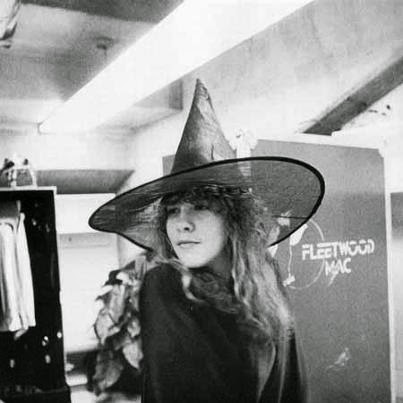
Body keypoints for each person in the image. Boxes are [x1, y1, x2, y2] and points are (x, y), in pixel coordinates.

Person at [89, 79, 325, 402]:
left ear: (233, 218)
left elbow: (292, 385)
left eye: (200, 206)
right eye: (173, 210)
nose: (182, 224)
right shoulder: (166, 286)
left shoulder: (266, 275)